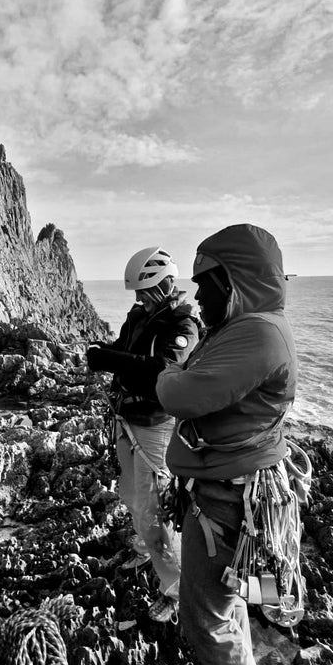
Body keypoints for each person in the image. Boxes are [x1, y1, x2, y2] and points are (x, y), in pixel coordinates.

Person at [156, 224, 296, 665]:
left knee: (205, 624)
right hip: (229, 494)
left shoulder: (258, 332)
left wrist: (168, 373)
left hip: (225, 501)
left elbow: (180, 394)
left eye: (203, 279)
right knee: (230, 607)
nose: (194, 291)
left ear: (234, 278)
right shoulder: (248, 328)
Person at [86, 247, 199, 623]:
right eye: (137, 293)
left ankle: (176, 588)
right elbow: (125, 351)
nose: (139, 299)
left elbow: (161, 371)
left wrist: (110, 360)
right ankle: (144, 547)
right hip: (127, 416)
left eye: (146, 291)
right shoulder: (140, 316)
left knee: (153, 511)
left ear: (168, 284)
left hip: (154, 424)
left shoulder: (183, 327)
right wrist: (104, 352)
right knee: (131, 495)